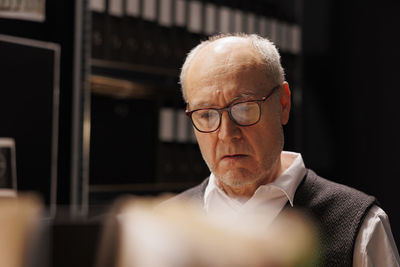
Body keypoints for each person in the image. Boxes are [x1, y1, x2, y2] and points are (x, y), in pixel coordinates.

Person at [164, 33, 400, 266]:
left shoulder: (361, 226)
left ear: (283, 104)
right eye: (206, 114)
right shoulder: (164, 227)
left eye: (244, 108)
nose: (226, 134)